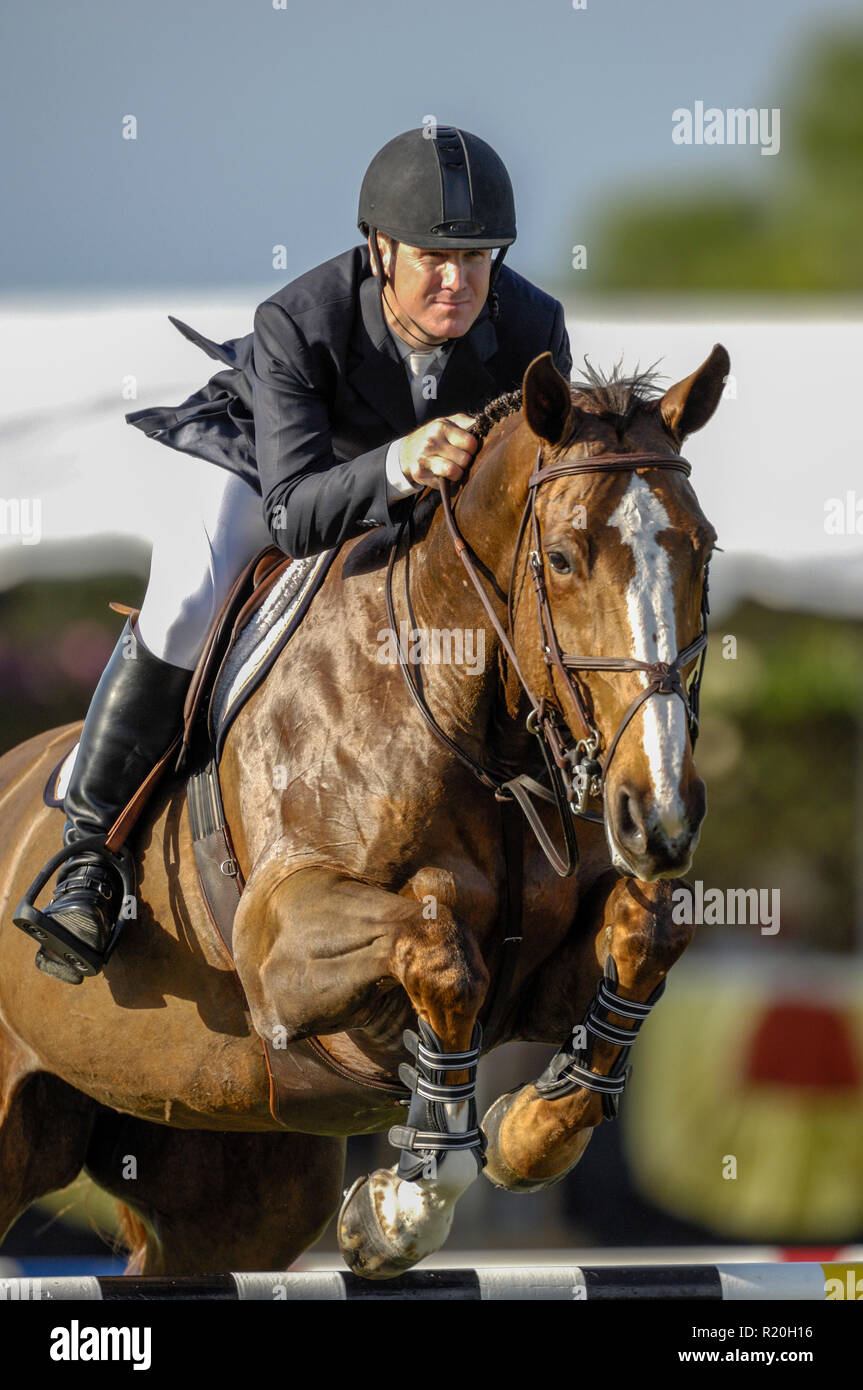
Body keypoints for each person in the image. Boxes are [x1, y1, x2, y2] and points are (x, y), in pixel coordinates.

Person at [19, 124, 572, 984]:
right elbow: (292, 512)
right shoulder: (297, 319)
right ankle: (89, 856)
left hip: (418, 498)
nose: (458, 281)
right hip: (267, 471)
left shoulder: (535, 322)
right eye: (432, 257)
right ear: (379, 248)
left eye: (478, 257)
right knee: (191, 600)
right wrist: (395, 461)